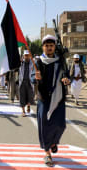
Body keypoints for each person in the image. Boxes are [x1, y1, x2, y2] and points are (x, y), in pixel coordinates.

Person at [33, 34, 70, 167]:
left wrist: (66, 79)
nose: (49, 48)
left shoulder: (60, 60)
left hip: (58, 97)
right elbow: (34, 76)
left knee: (60, 125)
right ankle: (47, 153)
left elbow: (66, 74)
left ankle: (53, 142)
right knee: (44, 127)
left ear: (55, 47)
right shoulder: (38, 61)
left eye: (51, 45)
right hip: (44, 98)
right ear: (43, 47)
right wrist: (36, 77)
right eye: (46, 46)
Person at [19, 50, 35, 117]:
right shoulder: (21, 63)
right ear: (23, 56)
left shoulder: (33, 63)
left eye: (27, 55)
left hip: (29, 82)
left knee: (30, 96)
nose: (26, 57)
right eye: (25, 55)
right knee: (22, 96)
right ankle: (23, 111)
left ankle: (28, 105)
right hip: (22, 82)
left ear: (30, 56)